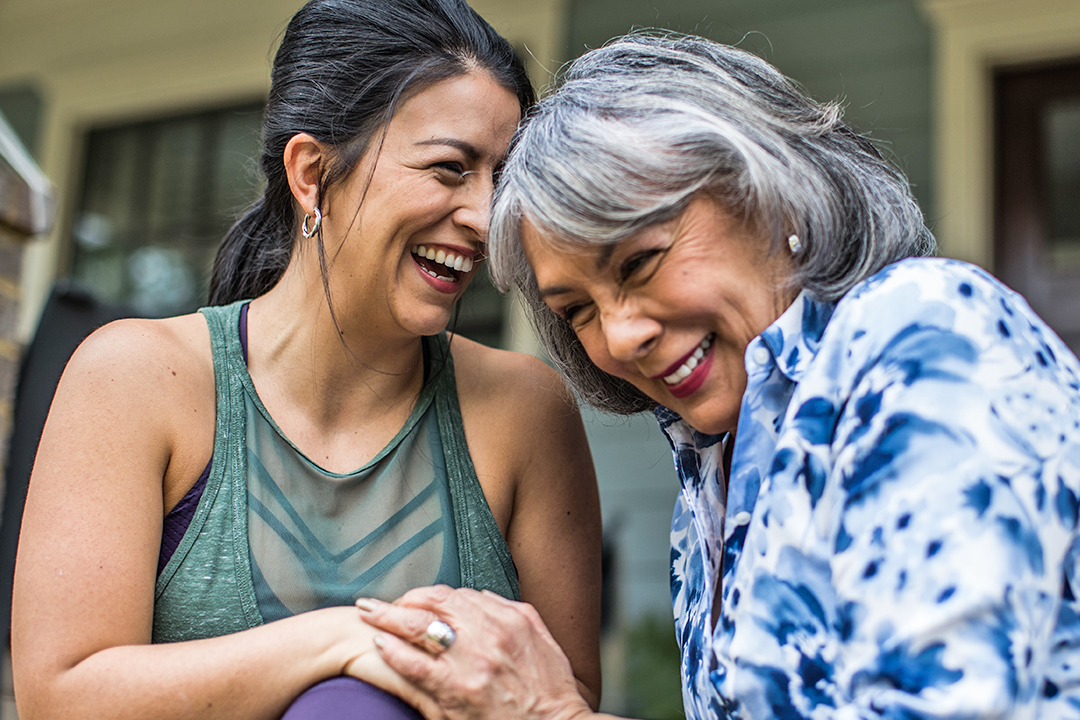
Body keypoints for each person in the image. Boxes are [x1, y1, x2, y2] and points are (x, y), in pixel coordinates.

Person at [355, 32, 1080, 719]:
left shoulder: (921, 337)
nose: (621, 336)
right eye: (576, 309)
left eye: (640, 261)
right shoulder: (713, 467)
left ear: (770, 192)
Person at [10, 1, 603, 719]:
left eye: (500, 181)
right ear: (312, 172)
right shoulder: (138, 379)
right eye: (450, 169)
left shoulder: (525, 411)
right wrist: (344, 638)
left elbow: (562, 701)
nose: (484, 218)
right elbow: (62, 695)